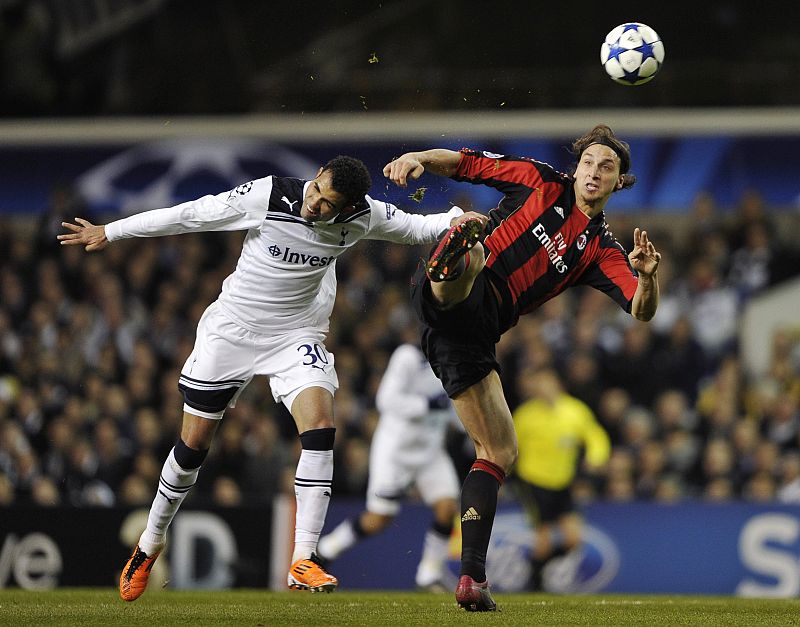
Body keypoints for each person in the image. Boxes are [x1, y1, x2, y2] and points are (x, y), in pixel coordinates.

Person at [59, 155, 483, 601]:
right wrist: (112, 231)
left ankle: (303, 559)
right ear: (317, 175)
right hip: (232, 331)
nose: (314, 204)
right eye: (316, 190)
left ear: (348, 206)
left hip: (295, 335)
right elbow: (190, 214)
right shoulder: (270, 194)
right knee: (191, 450)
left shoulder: (362, 217)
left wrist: (460, 219)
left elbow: (417, 227)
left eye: (327, 203)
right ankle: (149, 544)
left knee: (320, 428)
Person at [383, 125, 661, 611]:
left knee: (499, 451)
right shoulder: (539, 179)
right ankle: (457, 255)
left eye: (607, 167)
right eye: (589, 162)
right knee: (470, 264)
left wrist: (646, 277)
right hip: (471, 289)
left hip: (471, 337)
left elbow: (641, 309)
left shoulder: (601, 249)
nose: (594, 171)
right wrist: (419, 156)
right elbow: (467, 162)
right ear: (576, 169)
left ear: (620, 183)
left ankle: (471, 579)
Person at [317, 326, 461, 591]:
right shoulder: (408, 357)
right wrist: (426, 405)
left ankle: (429, 573)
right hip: (396, 450)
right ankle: (325, 550)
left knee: (447, 507)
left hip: (430, 450)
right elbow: (386, 400)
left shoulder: (456, 362)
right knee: (379, 518)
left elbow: (456, 407)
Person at [511, 367, 610, 591]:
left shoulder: (575, 410)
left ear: (558, 385)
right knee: (544, 542)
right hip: (534, 481)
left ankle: (535, 567)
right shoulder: (525, 416)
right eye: (540, 385)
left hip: (563, 482)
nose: (545, 389)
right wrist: (502, 477)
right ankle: (535, 583)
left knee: (574, 539)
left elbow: (595, 435)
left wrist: (596, 457)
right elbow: (511, 449)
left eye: (549, 383)